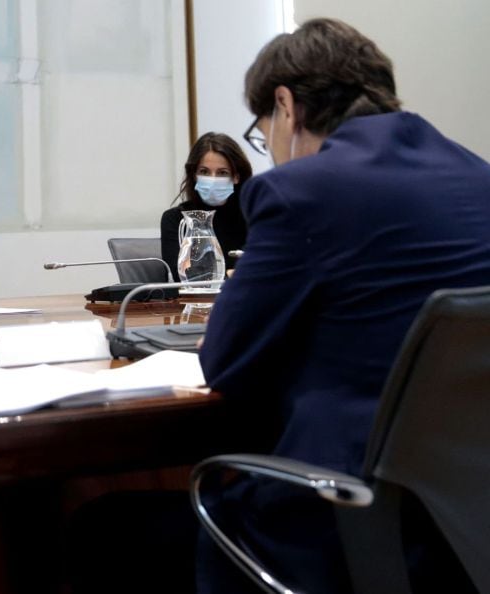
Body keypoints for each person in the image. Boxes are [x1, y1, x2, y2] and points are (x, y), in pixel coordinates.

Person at [196, 18, 490, 593]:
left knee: (108, 531)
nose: (272, 152)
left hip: (338, 522)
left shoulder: (299, 191)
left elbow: (225, 361)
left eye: (263, 134)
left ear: (286, 106)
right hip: (463, 530)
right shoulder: (478, 176)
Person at [160, 133, 251, 278]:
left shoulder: (253, 216)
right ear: (194, 175)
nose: (212, 179)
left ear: (236, 177)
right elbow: (180, 277)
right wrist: (232, 275)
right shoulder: (177, 219)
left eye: (222, 173)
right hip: (196, 300)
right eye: (204, 172)